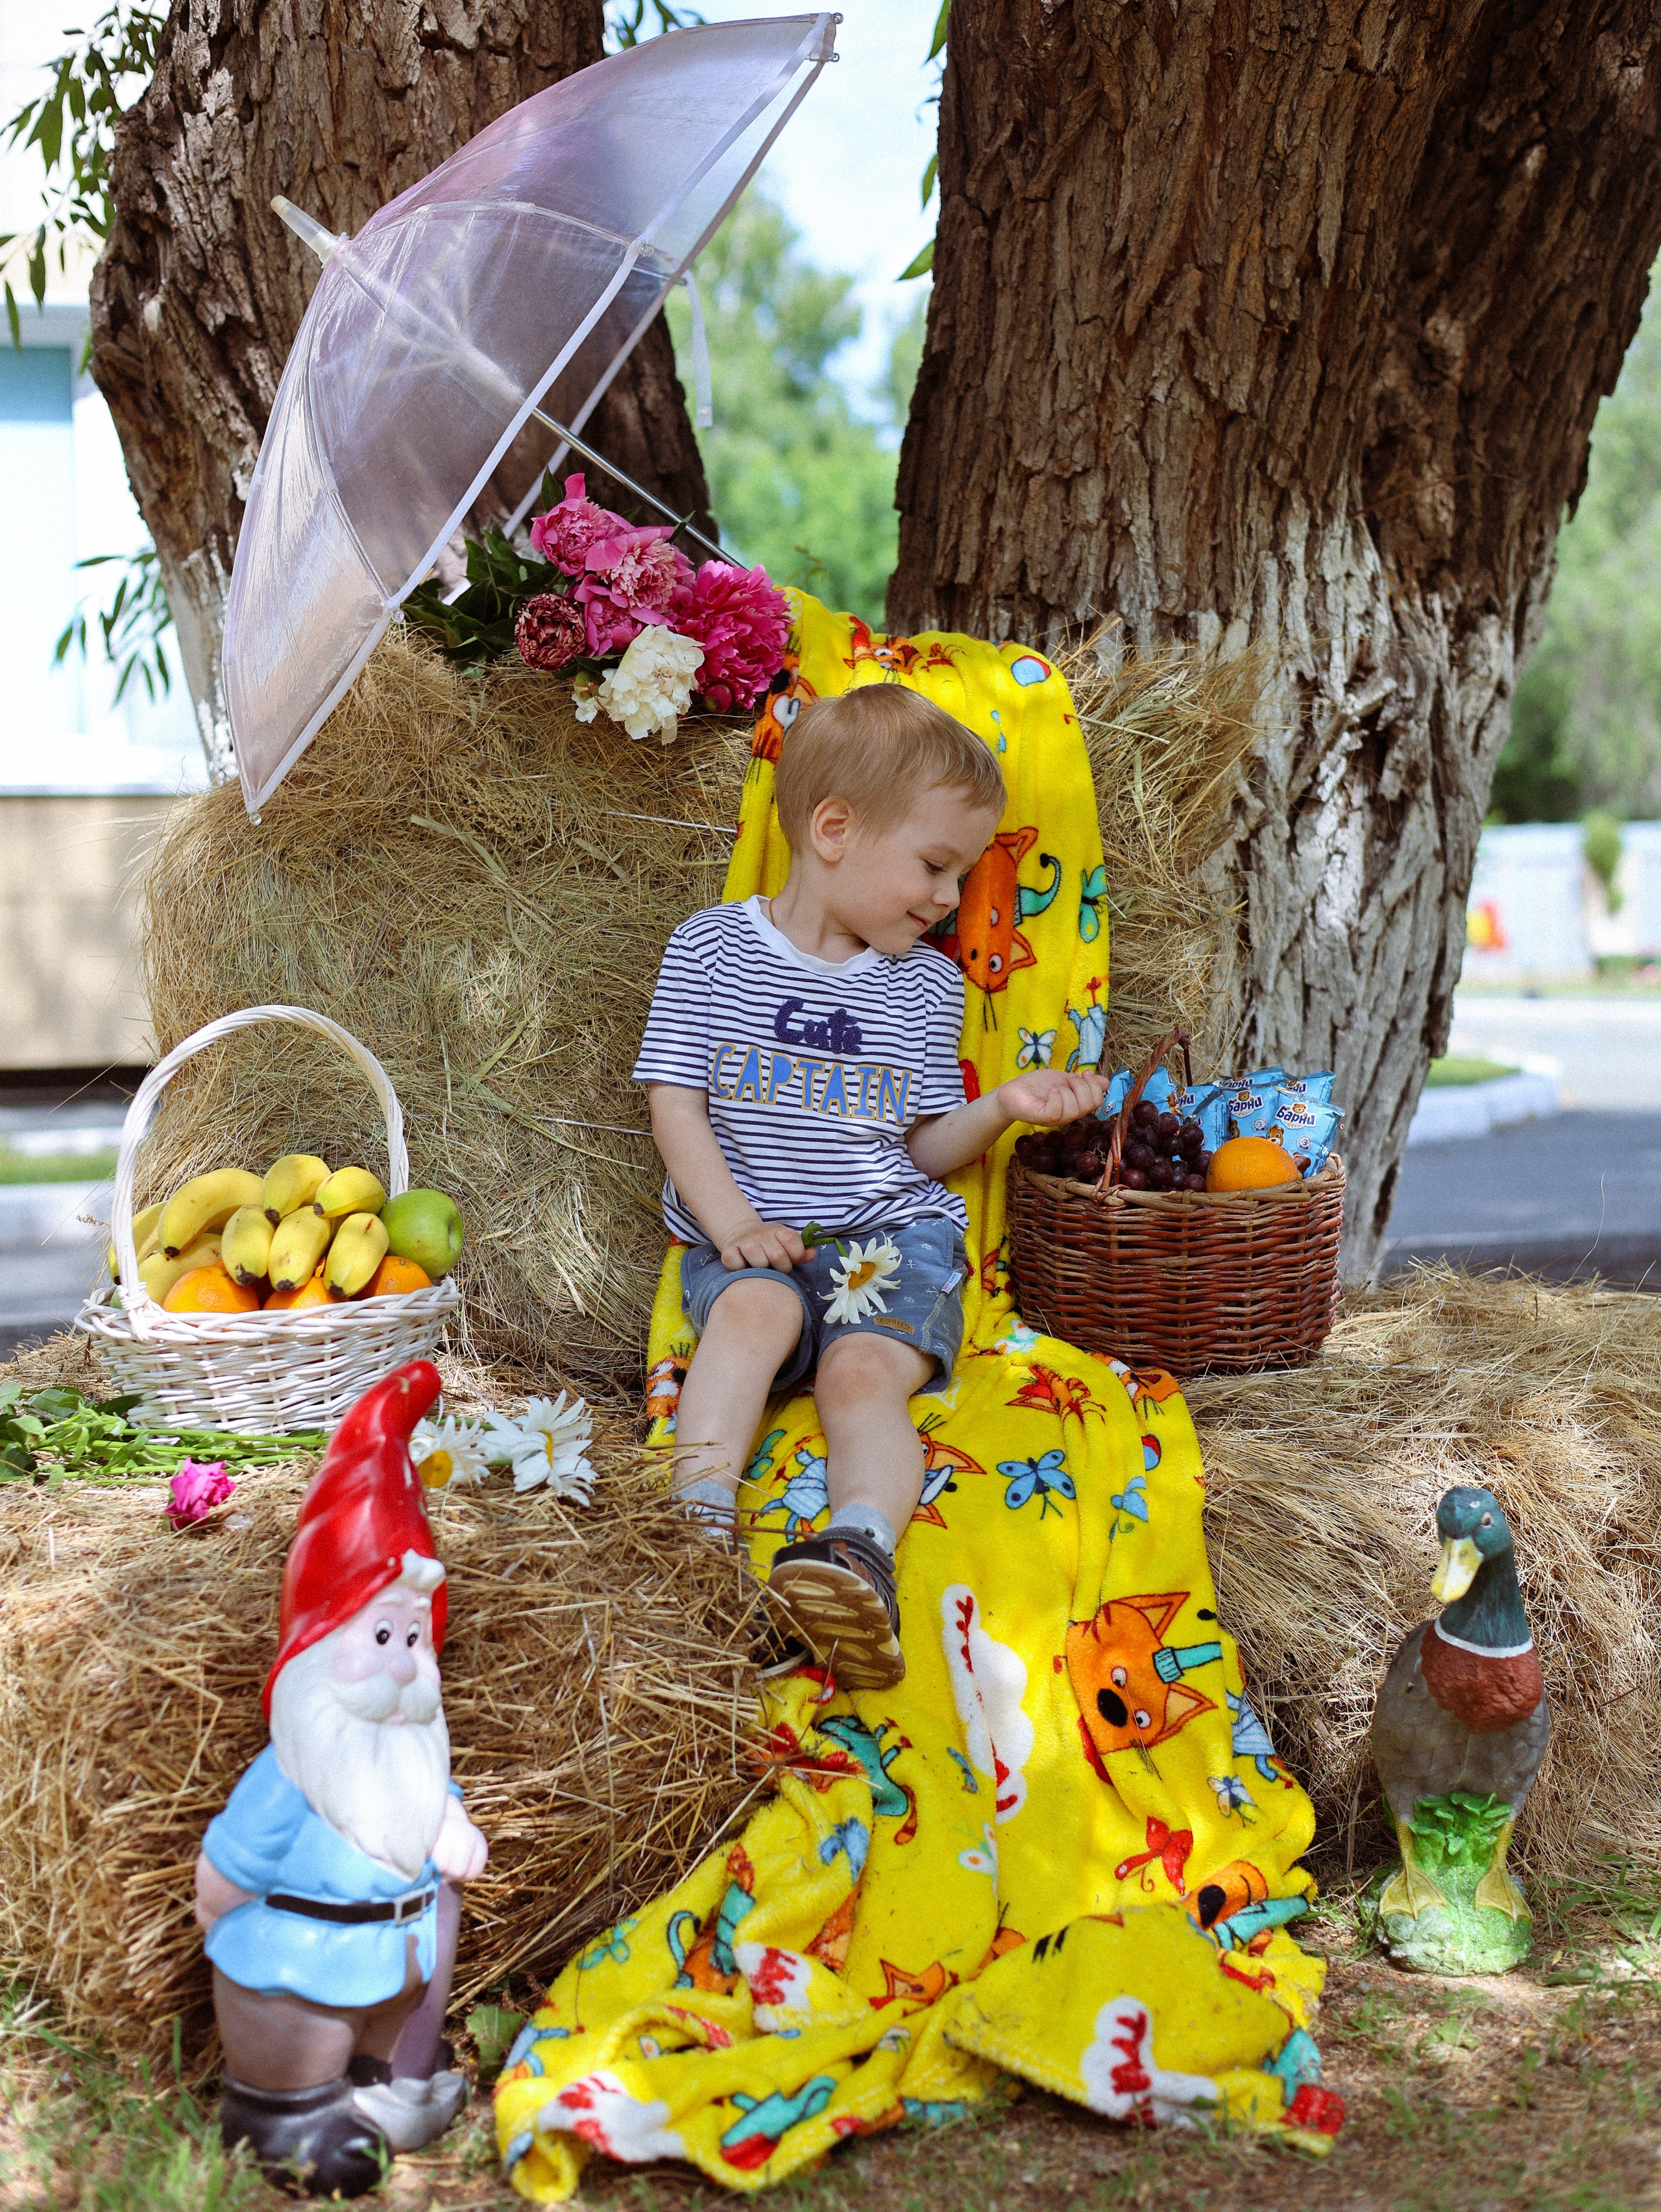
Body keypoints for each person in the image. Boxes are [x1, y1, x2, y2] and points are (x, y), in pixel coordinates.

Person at [634, 686, 1107, 1688]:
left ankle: (856, 1553)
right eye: (935, 867)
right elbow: (676, 1104)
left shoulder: (926, 985)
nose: (948, 899)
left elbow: (927, 1151)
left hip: (893, 1237)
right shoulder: (709, 948)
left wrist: (1005, 1105)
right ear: (835, 830)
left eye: (964, 875)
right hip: (757, 1229)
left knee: (860, 1379)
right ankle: (695, 1540)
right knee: (751, 1315)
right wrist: (734, 1226)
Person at [195, 1362, 489, 2198]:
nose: (404, 1667)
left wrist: (452, 1831)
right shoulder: (291, 1775)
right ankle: (286, 2115)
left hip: (392, 1960)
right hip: (299, 1968)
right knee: (307, 2061)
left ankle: (378, 2093)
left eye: (415, 1643)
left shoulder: (409, 1760)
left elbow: (434, 1809)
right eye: (382, 1637)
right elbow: (222, 1876)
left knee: (377, 2058)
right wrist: (230, 1928)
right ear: (315, 1657)